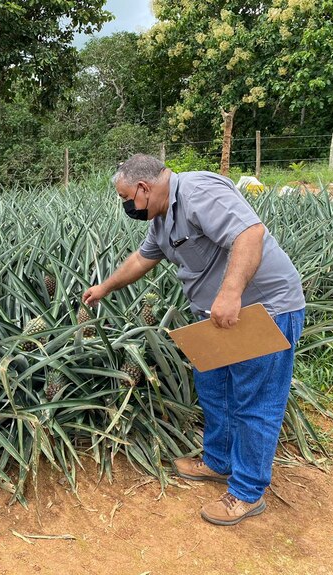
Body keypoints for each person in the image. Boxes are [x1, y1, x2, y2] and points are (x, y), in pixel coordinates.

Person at [83, 154, 305, 526]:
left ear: (144, 188)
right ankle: (219, 461)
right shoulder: (160, 216)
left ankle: (247, 492)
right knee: (214, 390)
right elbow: (142, 259)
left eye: (126, 198)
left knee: (255, 402)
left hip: (262, 309)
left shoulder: (198, 191)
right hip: (216, 318)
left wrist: (230, 293)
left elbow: (250, 234)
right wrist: (104, 287)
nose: (126, 206)